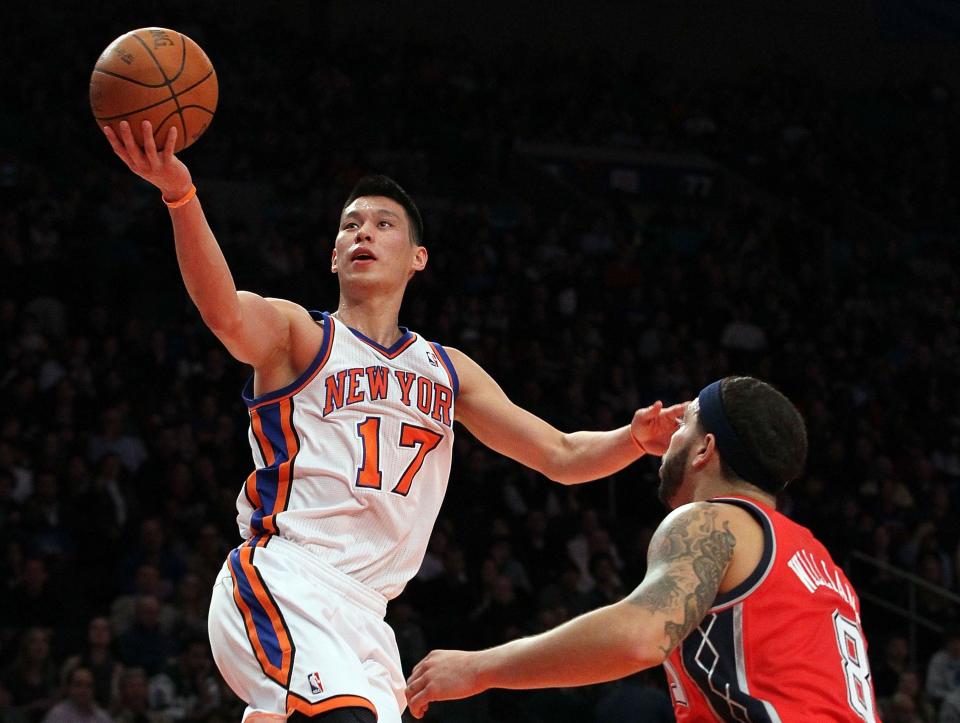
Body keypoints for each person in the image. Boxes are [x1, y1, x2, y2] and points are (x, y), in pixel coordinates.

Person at [102, 120, 684, 722]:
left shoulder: (448, 370)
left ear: (417, 258)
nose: (364, 233)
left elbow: (560, 455)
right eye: (351, 224)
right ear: (333, 255)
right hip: (287, 580)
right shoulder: (299, 335)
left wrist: (632, 439)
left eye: (384, 225)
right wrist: (181, 195)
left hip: (368, 619)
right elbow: (223, 311)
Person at [406, 376, 881, 722]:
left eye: (685, 422)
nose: (670, 433)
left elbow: (639, 636)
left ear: (703, 450)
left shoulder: (712, 520)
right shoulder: (820, 562)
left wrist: (477, 668)